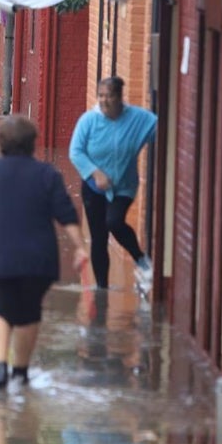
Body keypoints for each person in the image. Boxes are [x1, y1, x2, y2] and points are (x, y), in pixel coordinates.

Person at [0, 115, 88, 390]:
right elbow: (67, 215)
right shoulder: (48, 175)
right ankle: (21, 373)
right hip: (37, 260)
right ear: (34, 143)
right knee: (29, 312)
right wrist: (81, 248)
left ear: (0, 143)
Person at [68, 76, 157, 291]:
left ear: (120, 97)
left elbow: (163, 128)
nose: (104, 101)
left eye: (109, 96)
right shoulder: (89, 120)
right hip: (93, 188)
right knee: (98, 238)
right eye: (101, 96)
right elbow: (76, 151)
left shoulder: (138, 119)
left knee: (114, 222)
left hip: (123, 187)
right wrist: (95, 173)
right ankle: (102, 289)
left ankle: (142, 261)